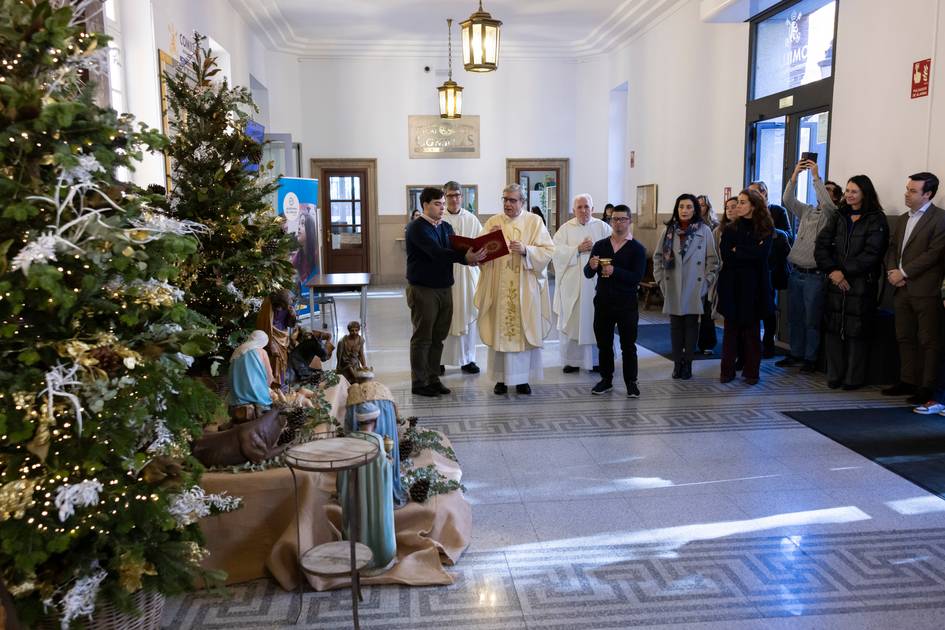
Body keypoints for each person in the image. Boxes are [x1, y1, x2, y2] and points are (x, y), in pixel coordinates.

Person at [475, 183, 555, 395]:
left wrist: (527, 250)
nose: (508, 204)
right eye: (505, 199)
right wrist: (489, 239)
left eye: (512, 200)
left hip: (525, 288)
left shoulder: (534, 221)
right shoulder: (493, 222)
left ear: (522, 202)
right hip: (498, 288)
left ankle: (522, 380)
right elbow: (478, 253)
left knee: (523, 331)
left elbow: (548, 250)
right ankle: (500, 379)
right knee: (499, 330)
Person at [405, 187, 485, 397]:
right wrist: (465, 258)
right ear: (425, 205)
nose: (442, 208)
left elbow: (455, 248)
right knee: (423, 337)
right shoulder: (416, 228)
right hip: (423, 289)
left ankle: (433, 378)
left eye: (443, 204)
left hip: (444, 287)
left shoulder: (445, 226)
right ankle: (419, 382)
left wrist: (474, 254)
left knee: (438, 336)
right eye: (437, 204)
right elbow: (436, 252)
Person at [814, 175, 889, 390]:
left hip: (861, 283)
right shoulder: (839, 215)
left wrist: (843, 272)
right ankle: (834, 375)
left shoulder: (876, 219)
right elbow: (821, 245)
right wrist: (833, 271)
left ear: (865, 193)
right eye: (847, 190)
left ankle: (852, 379)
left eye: (854, 191)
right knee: (833, 329)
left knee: (857, 332)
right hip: (835, 282)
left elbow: (872, 254)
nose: (848, 195)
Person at [882, 172, 945, 405]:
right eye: (907, 189)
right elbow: (892, 248)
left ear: (928, 194)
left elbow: (934, 254)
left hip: (926, 289)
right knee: (904, 336)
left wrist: (904, 272)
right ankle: (907, 380)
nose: (906, 194)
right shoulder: (902, 219)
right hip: (901, 288)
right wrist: (892, 271)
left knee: (928, 341)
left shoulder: (940, 219)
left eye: (912, 191)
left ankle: (926, 387)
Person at [775, 158, 838, 373]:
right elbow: (787, 199)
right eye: (823, 189)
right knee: (795, 317)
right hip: (796, 272)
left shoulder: (833, 214)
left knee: (812, 319)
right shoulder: (807, 210)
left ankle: (811, 358)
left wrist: (816, 177)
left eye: (829, 191)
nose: (823, 193)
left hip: (815, 275)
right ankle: (796, 353)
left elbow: (827, 204)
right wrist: (795, 175)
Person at [654, 194, 720, 379]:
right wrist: (660, 281)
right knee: (675, 327)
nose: (684, 210)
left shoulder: (704, 231)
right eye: (681, 206)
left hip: (694, 285)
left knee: (691, 326)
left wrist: (706, 283)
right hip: (672, 285)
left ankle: (688, 364)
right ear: (677, 209)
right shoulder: (668, 231)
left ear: (695, 210)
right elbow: (658, 258)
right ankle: (677, 364)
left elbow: (713, 261)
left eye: (689, 207)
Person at [584, 204, 647, 397]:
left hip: (626, 303)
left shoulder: (637, 249)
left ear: (630, 221)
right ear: (610, 221)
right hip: (603, 301)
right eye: (614, 219)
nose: (618, 222)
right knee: (604, 344)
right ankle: (606, 380)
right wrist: (591, 266)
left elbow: (636, 277)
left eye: (622, 219)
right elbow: (588, 273)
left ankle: (631, 382)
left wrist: (615, 271)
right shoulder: (600, 245)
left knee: (628, 345)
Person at [716, 189, 775, 385]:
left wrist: (739, 250)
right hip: (732, 284)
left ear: (754, 206)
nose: (738, 206)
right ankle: (727, 371)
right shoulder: (730, 229)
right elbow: (727, 255)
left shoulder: (765, 229)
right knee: (731, 330)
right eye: (738, 202)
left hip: (755, 285)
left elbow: (762, 255)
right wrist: (749, 250)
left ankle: (751, 373)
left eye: (742, 202)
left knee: (752, 332)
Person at [552, 193, 612, 373]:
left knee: (597, 320)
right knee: (573, 321)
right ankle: (572, 361)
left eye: (587, 207)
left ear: (593, 209)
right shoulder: (565, 229)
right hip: (573, 286)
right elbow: (555, 252)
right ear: (574, 210)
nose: (583, 210)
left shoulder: (603, 227)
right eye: (579, 207)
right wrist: (577, 249)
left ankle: (597, 360)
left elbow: (614, 249)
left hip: (597, 285)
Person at [440, 181, 483, 375]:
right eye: (450, 195)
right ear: (444, 197)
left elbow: (481, 243)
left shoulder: (472, 219)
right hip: (445, 273)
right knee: (443, 317)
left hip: (467, 275)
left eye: (457, 195)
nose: (454, 199)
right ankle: (439, 360)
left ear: (462, 197)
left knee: (467, 314)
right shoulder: (439, 218)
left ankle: (468, 359)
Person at [749, 180, 793, 358]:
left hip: (771, 266)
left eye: (754, 193)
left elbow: (788, 235)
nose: (751, 197)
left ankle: (768, 344)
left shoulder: (778, 211)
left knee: (768, 307)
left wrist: (771, 231)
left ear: (764, 193)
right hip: (752, 265)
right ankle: (751, 344)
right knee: (752, 306)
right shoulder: (749, 212)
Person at [227, 329, 274, 420]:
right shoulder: (262, 352)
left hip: (235, 397)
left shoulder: (237, 351)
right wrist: (268, 388)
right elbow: (269, 376)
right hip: (257, 396)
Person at [255, 289, 297, 387]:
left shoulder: (288, 307)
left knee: (283, 360)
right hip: (271, 335)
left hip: (282, 336)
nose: (286, 307)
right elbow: (264, 324)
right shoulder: (268, 305)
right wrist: (270, 342)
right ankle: (272, 383)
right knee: (274, 358)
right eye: (284, 305)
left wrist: (292, 315)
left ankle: (280, 382)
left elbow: (290, 324)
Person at [696, 195, 720, 354]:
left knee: (706, 309)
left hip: (708, 270)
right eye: (697, 205)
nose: (700, 208)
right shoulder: (691, 225)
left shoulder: (714, 226)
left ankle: (707, 343)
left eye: (703, 205)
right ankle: (688, 341)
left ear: (708, 207)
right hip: (693, 270)